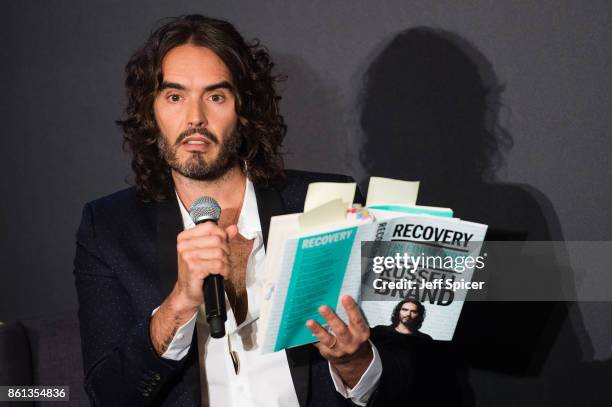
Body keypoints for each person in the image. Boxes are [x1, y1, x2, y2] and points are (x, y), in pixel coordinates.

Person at [74, 14, 406, 406]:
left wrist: (354, 363)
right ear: (151, 111)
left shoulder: (330, 201)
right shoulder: (109, 229)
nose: (195, 117)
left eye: (216, 96)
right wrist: (178, 303)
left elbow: (410, 361)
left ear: (243, 109)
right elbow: (108, 395)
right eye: (175, 96)